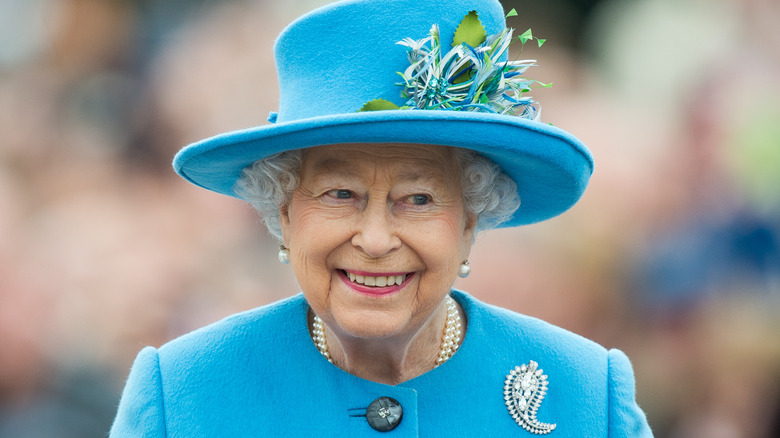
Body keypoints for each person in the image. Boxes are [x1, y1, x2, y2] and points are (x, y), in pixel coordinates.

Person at [110, 0, 653, 436]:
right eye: (340, 193)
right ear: (284, 212)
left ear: (470, 220)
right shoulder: (183, 394)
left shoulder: (585, 395)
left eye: (417, 199)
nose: (374, 240)